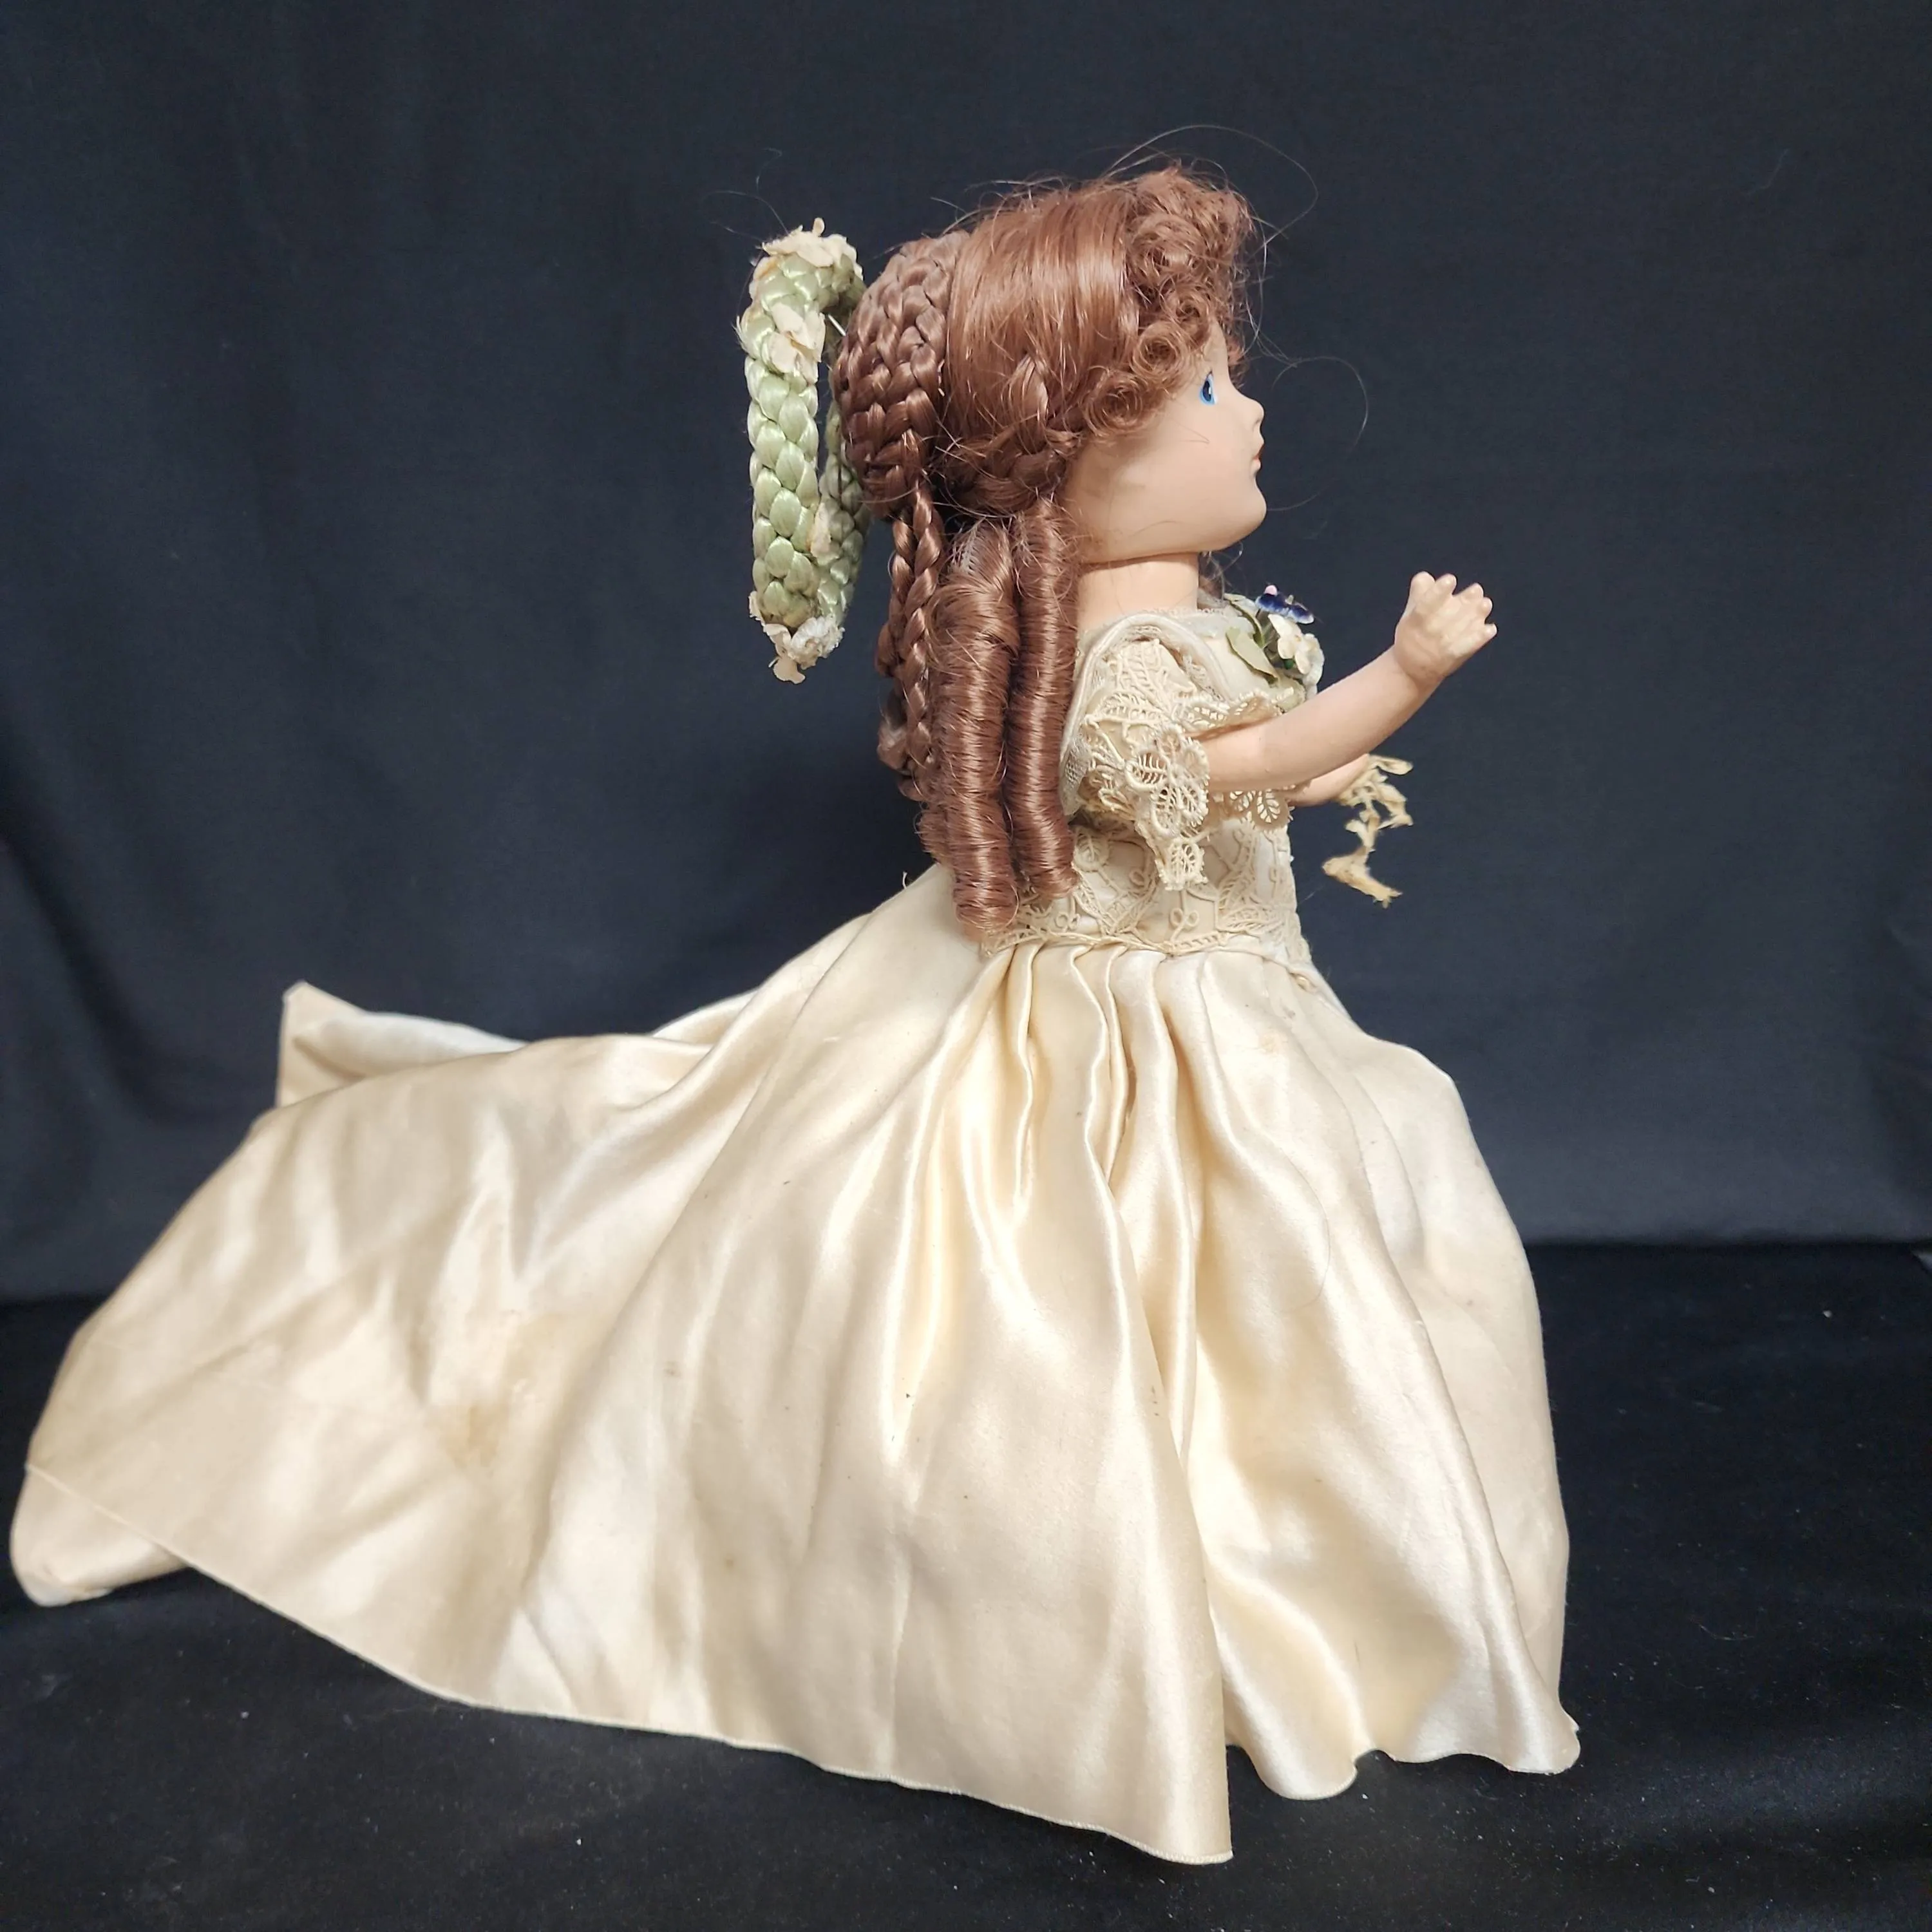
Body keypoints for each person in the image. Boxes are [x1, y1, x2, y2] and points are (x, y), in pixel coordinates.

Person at [11, 166, 1578, 1864]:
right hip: (1138, 1047)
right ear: (1069, 463)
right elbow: (1228, 767)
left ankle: (1297, 1593)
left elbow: (1249, 778)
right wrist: (1404, 678)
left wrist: (1324, 755)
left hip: (1236, 1021)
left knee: (1289, 1289)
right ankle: (1175, 1610)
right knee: (1116, 1315)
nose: (1249, 409)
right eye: (1204, 391)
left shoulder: (1179, 626)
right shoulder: (1115, 671)